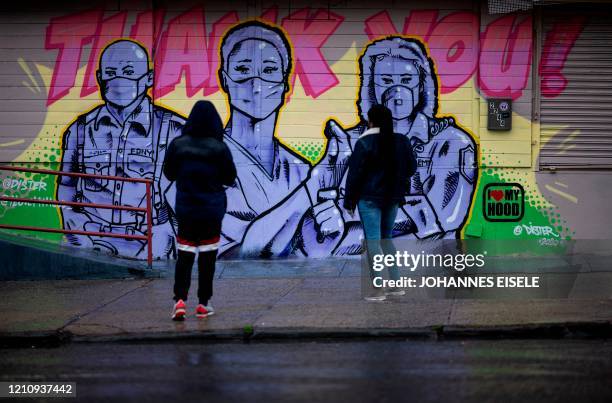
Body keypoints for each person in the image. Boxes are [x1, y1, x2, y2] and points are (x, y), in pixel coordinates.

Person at [57, 39, 184, 259]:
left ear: (149, 79)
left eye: (128, 72)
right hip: (88, 238)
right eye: (111, 72)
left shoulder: (175, 130)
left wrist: (164, 240)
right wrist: (76, 230)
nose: (118, 80)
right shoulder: (79, 130)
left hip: (151, 243)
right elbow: (66, 186)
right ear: (100, 78)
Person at [163, 101, 237, 320]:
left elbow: (169, 173)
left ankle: (179, 301)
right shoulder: (220, 148)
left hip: (186, 211)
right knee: (207, 259)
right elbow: (230, 177)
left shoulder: (178, 145)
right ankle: (203, 303)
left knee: (184, 257)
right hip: (211, 212)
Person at [343, 104, 417, 301]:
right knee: (386, 240)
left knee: (373, 241)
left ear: (371, 120)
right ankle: (395, 285)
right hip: (392, 198)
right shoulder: (401, 140)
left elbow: (355, 175)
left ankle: (377, 289)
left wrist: (349, 201)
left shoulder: (364, 142)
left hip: (369, 199)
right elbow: (411, 168)